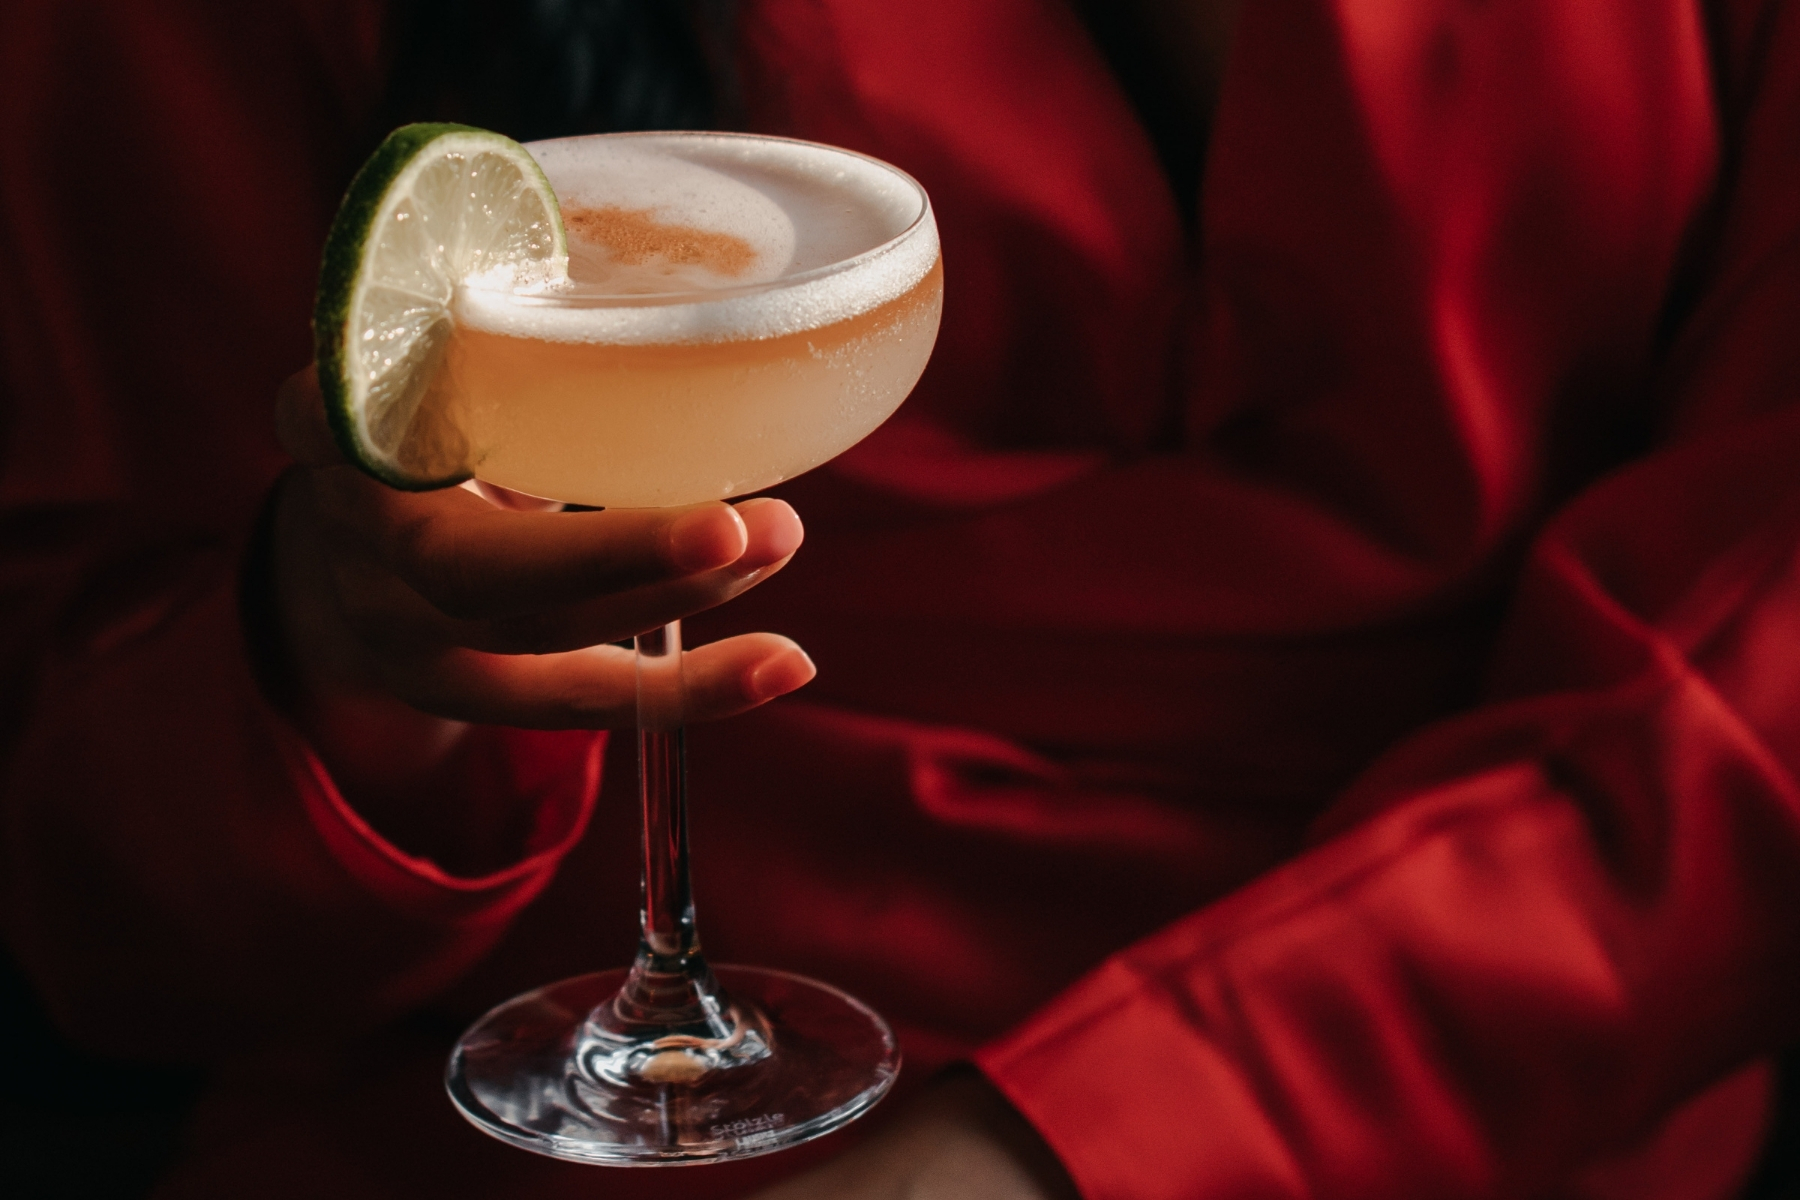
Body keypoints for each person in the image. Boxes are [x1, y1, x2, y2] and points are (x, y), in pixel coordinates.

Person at [5, 1, 1800, 1197]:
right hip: (592, 1135)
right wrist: (347, 660)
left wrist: (1080, 1143)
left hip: (1496, 1094)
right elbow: (108, 909)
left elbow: (1757, 693)